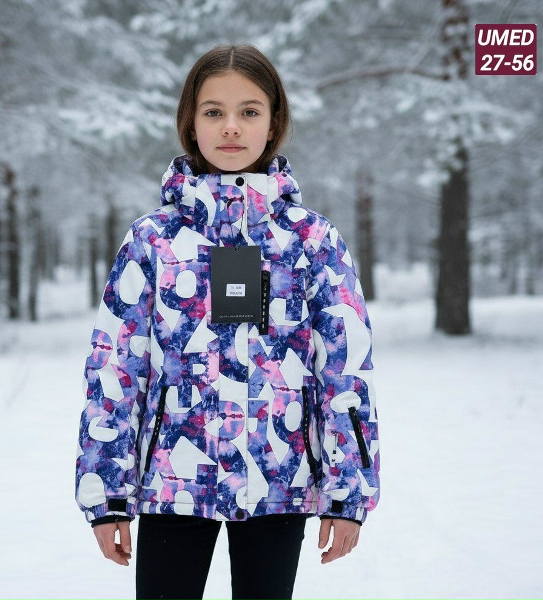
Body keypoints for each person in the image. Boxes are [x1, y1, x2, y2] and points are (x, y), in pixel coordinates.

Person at [75, 43, 380, 600]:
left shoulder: (313, 241)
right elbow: (116, 367)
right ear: (191, 123)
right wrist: (107, 492)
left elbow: (345, 371)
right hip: (173, 479)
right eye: (214, 111)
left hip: (278, 478)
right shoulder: (153, 240)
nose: (231, 127)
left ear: (274, 122)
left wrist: (348, 493)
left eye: (249, 111)